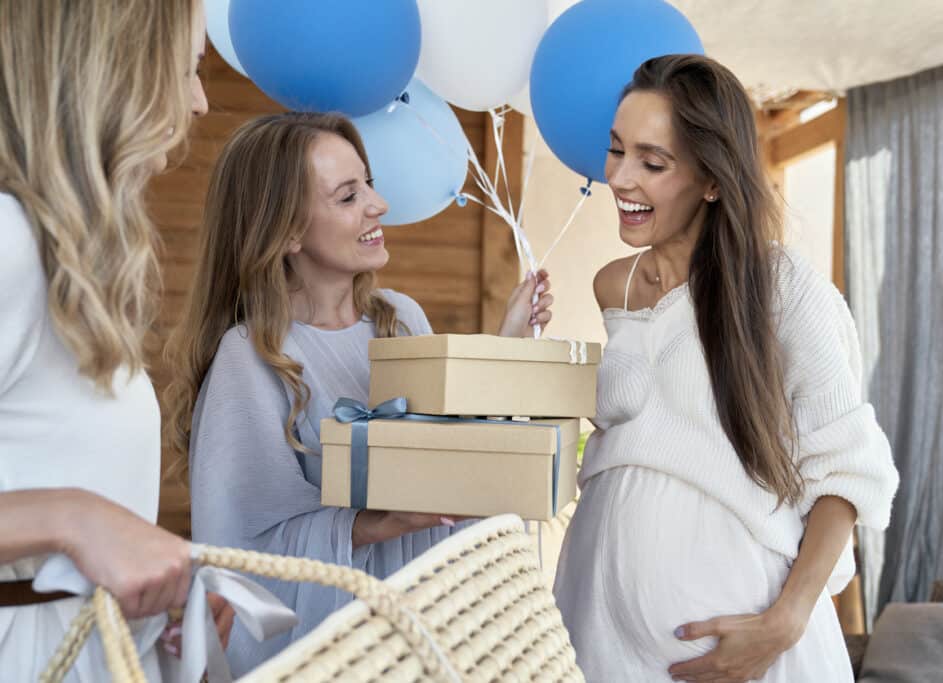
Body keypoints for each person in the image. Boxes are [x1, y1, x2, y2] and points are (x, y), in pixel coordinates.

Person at [163, 111, 553, 673]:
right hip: (341, 647)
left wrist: (506, 346)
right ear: (287, 231)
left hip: (429, 628)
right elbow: (242, 554)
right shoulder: (248, 357)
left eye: (368, 182)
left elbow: (447, 457)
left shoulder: (399, 317)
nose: (379, 205)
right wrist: (378, 522)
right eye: (348, 196)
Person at [552, 54, 899, 682]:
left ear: (712, 179)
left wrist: (784, 622)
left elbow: (848, 472)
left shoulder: (783, 288)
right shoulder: (615, 287)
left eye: (653, 163)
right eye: (616, 151)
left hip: (748, 648)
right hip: (600, 635)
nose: (621, 179)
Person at [0, 1, 231, 679]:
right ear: (119, 70)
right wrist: (75, 519)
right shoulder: (8, 243)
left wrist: (155, 590)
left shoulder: (62, 263)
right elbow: (70, 515)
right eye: (187, 69)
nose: (199, 103)